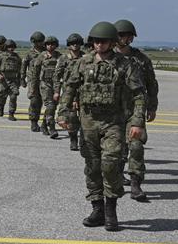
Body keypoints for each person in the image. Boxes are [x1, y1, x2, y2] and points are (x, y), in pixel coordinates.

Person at [58, 21, 145, 232]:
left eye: (104, 41)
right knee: (92, 166)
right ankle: (96, 208)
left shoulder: (125, 64)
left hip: (113, 122)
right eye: (96, 41)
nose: (99, 45)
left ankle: (110, 210)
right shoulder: (83, 63)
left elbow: (139, 95)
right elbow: (69, 88)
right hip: (88, 122)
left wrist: (137, 122)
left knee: (111, 164)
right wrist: (63, 112)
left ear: (112, 42)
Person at [115, 19, 158, 202]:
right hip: (112, 111)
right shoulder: (107, 58)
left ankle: (135, 184)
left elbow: (151, 84)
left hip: (135, 110)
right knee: (115, 149)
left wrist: (152, 106)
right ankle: (115, 179)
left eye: (129, 35)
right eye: (123, 35)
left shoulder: (141, 59)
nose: (127, 38)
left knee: (136, 146)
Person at [54, 33, 85, 152]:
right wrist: (57, 91)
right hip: (69, 91)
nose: (75, 45)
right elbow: (57, 77)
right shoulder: (63, 59)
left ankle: (85, 141)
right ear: (68, 45)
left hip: (83, 91)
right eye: (72, 43)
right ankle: (73, 139)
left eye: (77, 43)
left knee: (85, 117)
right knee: (71, 117)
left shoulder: (85, 58)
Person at [38, 36, 63, 138]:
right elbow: (34, 71)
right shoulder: (41, 56)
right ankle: (52, 128)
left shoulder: (60, 57)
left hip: (56, 84)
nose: (50, 46)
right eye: (48, 44)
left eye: (52, 44)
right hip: (45, 84)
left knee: (53, 106)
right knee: (50, 105)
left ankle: (44, 125)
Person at [0, 40, 23, 119]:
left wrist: (20, 80)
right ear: (6, 47)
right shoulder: (1, 56)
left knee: (14, 96)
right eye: (9, 47)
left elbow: (20, 69)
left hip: (13, 80)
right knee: (2, 97)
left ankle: (11, 113)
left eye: (12, 47)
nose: (11, 49)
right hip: (3, 80)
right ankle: (0, 108)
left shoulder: (17, 57)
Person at [23, 30, 47, 132]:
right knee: (34, 101)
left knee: (48, 102)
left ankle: (45, 123)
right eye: (37, 41)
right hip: (33, 81)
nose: (39, 43)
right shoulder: (29, 54)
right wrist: (22, 78)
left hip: (45, 80)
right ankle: (34, 122)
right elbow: (23, 66)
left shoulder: (47, 52)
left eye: (41, 41)